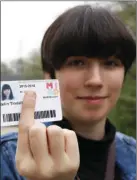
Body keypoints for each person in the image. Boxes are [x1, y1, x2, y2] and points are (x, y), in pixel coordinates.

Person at [1, 5, 136, 180]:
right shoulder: (6, 156)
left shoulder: (133, 154)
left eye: (110, 63)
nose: (95, 80)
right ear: (49, 76)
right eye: (77, 63)